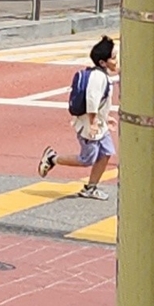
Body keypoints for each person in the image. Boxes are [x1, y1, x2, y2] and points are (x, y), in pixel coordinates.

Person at [37, 35, 118, 200]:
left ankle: (91, 187)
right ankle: (52, 158)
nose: (116, 61)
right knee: (87, 159)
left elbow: (100, 102)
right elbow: (92, 100)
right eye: (114, 58)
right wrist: (94, 122)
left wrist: (105, 117)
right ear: (103, 62)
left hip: (98, 124)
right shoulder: (98, 78)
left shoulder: (102, 76)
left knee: (106, 153)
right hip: (89, 126)